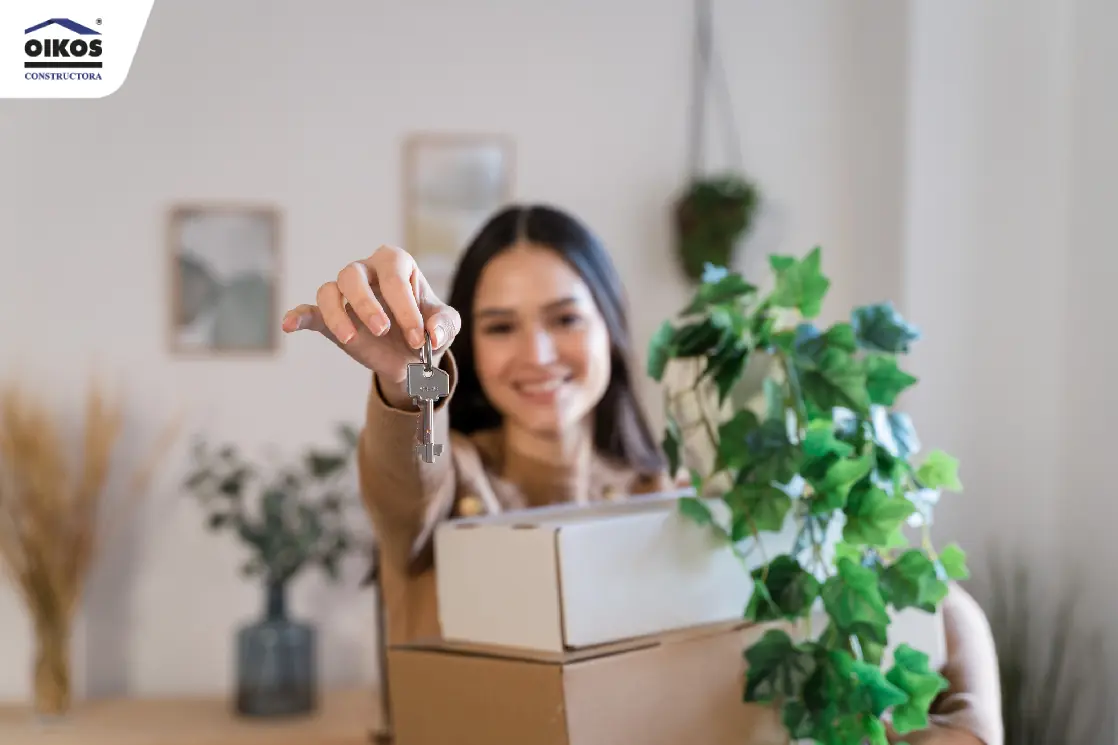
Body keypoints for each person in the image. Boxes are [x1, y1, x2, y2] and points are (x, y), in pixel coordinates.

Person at [281, 204, 1002, 745]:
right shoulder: (455, 475)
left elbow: (902, 592)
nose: (536, 351)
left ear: (610, 327)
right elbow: (408, 480)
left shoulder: (678, 494)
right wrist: (411, 383)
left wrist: (968, 703)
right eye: (499, 326)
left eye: (565, 316)